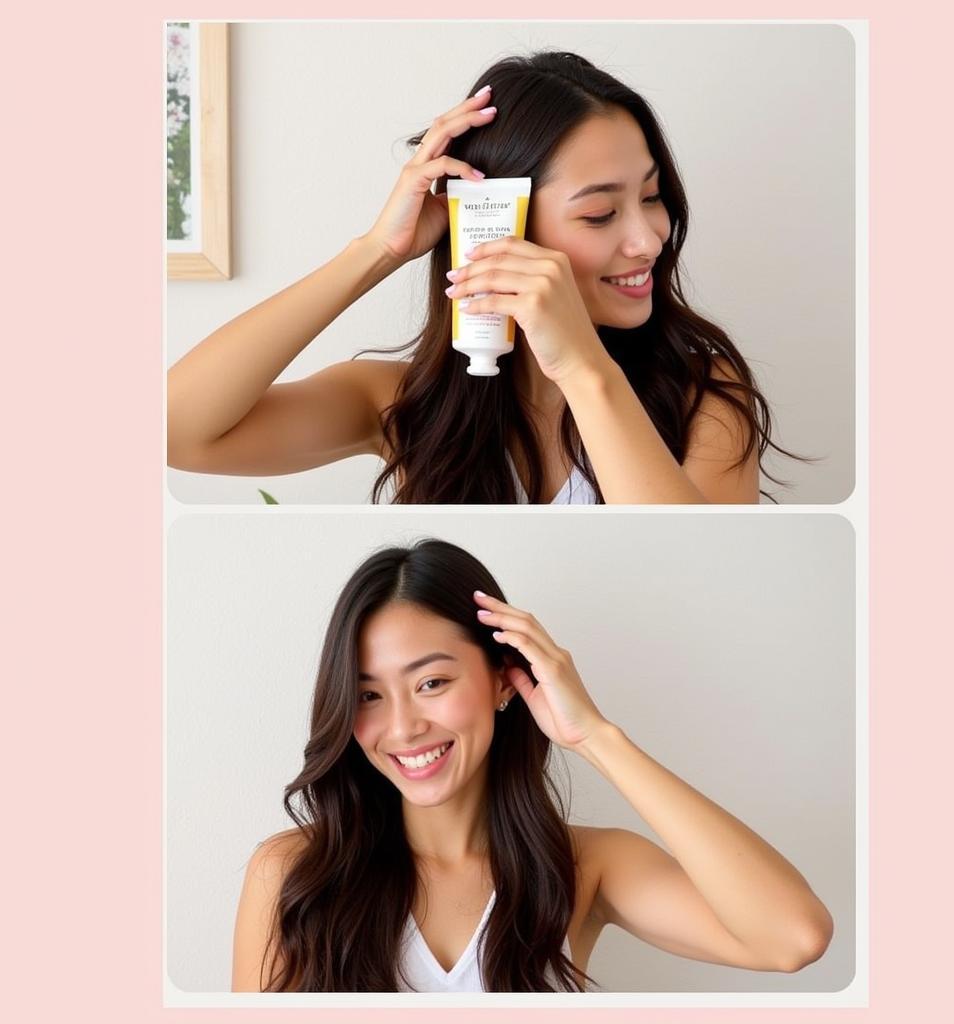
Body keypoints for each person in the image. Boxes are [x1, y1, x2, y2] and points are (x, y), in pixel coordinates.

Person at [168, 51, 791, 504]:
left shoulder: (701, 393)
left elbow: (689, 569)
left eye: (652, 198)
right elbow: (175, 433)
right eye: (600, 212)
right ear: (499, 222)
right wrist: (376, 252)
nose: (647, 238)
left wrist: (581, 366)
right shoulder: (403, 408)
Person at [231, 540, 833, 992]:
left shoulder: (586, 867)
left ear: (503, 681)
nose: (403, 726)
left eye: (432, 682)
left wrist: (594, 736)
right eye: (368, 696)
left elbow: (792, 938)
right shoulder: (293, 874)